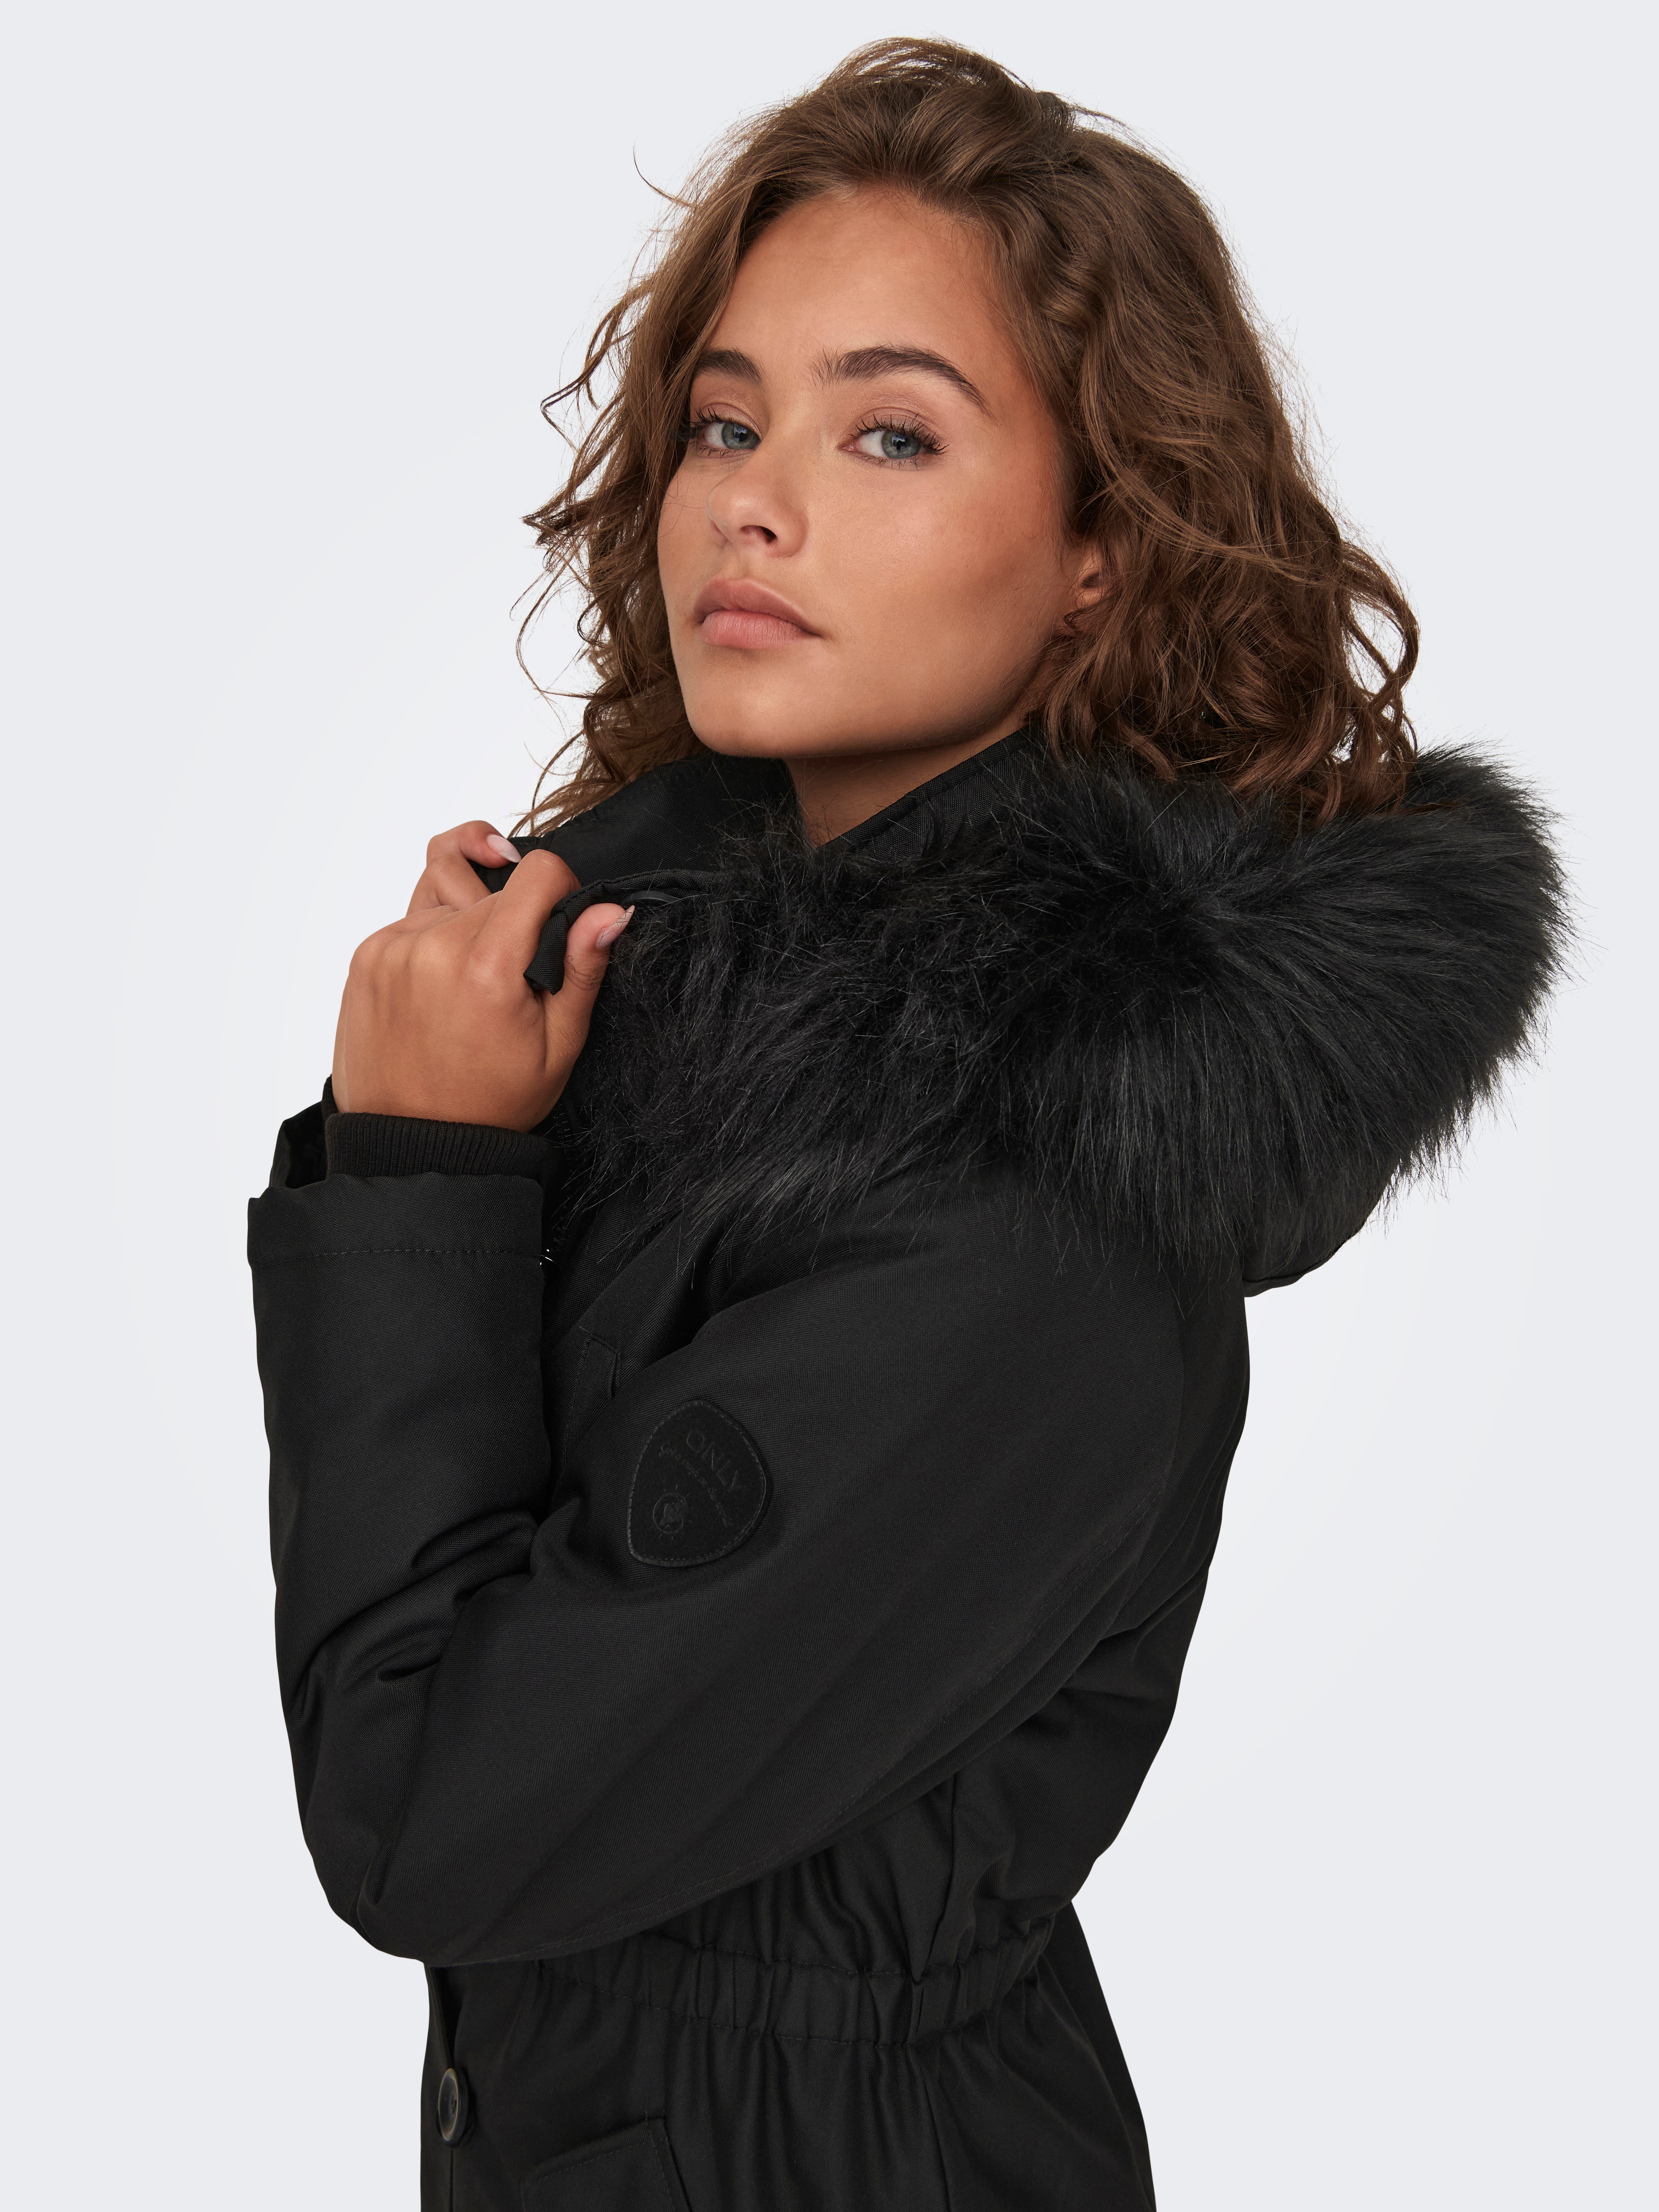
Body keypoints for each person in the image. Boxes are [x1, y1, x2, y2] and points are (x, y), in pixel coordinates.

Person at [248, 39, 1564, 2211]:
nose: (750, 504)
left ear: (1098, 554)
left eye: (889, 433)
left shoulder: (1017, 1202)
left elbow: (432, 1823)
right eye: (723, 422)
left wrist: (422, 1182)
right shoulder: (673, 994)